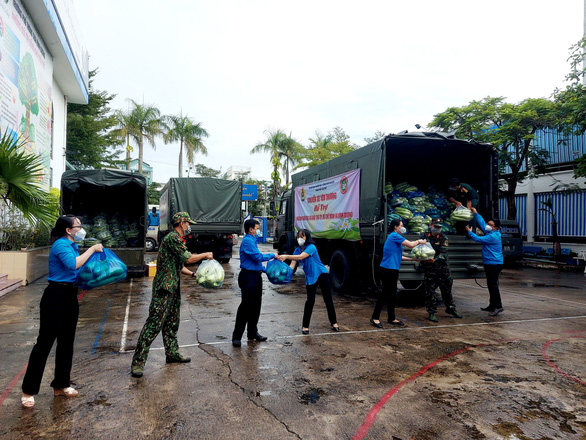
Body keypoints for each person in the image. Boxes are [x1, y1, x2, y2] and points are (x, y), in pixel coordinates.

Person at [21, 215, 104, 409]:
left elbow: (77, 269)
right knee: (44, 343)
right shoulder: (60, 245)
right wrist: (92, 249)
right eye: (78, 226)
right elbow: (72, 264)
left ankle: (61, 384)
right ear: (68, 230)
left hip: (69, 295)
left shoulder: (72, 245)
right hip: (55, 296)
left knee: (66, 342)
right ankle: (28, 390)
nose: (81, 229)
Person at [131, 212, 213, 378]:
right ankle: (138, 364)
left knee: (171, 323)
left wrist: (192, 275)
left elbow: (179, 265)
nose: (189, 226)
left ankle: (172, 353)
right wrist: (206, 254)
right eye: (188, 223)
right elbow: (188, 258)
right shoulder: (172, 238)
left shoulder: (176, 240)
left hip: (173, 288)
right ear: (181, 223)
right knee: (153, 325)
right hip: (164, 289)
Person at [280, 229, 340, 335]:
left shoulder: (311, 247)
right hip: (310, 276)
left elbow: (301, 257)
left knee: (328, 299)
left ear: (307, 237)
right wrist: (287, 274)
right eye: (298, 236)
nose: (300, 239)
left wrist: (286, 256)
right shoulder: (297, 250)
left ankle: (334, 323)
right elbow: (293, 264)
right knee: (310, 300)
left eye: (302, 236)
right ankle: (305, 326)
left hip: (321, 274)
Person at [232, 218, 280, 347]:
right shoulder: (247, 241)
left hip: (255, 276)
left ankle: (252, 332)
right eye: (257, 229)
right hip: (248, 277)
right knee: (246, 307)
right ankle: (237, 336)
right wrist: (273, 255)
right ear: (251, 229)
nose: (258, 231)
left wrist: (266, 270)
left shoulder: (253, 241)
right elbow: (257, 257)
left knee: (256, 306)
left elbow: (256, 262)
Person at [370, 219, 426, 328]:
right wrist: (419, 241)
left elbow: (399, 257)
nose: (403, 227)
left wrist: (413, 259)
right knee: (385, 294)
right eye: (401, 225)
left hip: (393, 269)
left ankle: (391, 318)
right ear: (396, 227)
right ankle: (375, 317)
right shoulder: (394, 236)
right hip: (387, 269)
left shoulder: (395, 238)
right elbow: (410, 245)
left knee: (392, 294)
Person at [418, 218, 462, 322]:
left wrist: (435, 259)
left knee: (447, 288)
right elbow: (420, 249)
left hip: (442, 267)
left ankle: (451, 308)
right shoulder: (424, 236)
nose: (438, 229)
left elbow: (443, 252)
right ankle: (432, 312)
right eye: (436, 227)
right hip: (429, 268)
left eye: (439, 227)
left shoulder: (443, 237)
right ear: (431, 225)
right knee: (430, 290)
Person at [465, 208, 504, 316]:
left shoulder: (493, 236)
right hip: (490, 263)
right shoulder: (490, 232)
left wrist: (469, 232)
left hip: (494, 264)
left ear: (495, 227)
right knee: (491, 284)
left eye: (490, 224)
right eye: (489, 223)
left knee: (493, 285)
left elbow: (478, 239)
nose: (488, 225)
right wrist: (476, 213)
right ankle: (492, 305)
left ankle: (498, 306)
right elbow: (482, 224)